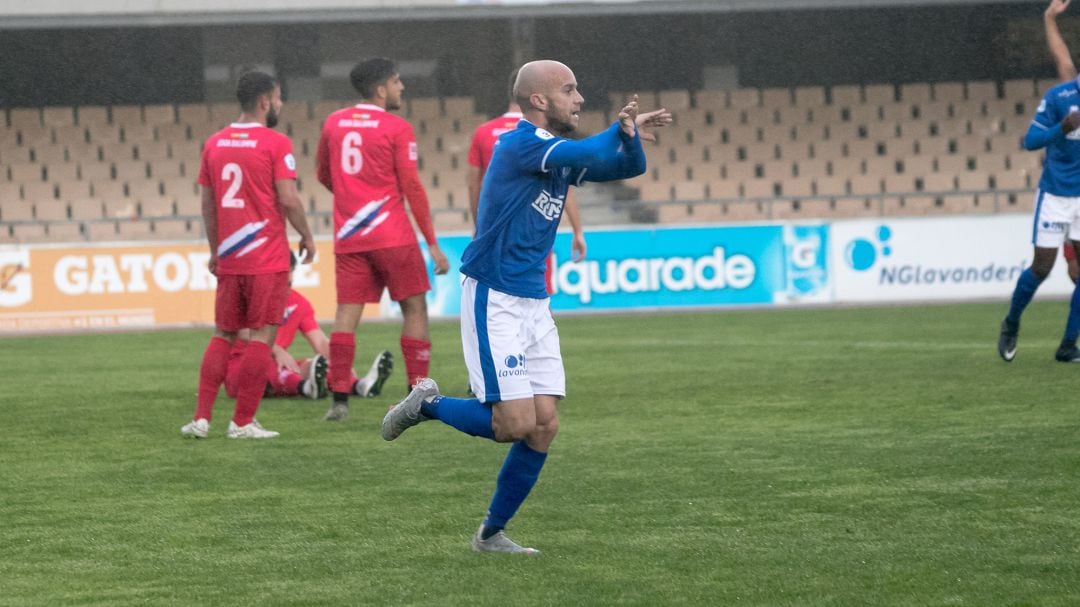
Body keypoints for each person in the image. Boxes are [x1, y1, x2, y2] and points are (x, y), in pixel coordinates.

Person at [381, 60, 671, 554]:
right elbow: (589, 152)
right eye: (570, 90)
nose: (579, 99)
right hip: (494, 295)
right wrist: (614, 133)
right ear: (539, 100)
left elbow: (625, 166)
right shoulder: (521, 143)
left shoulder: (553, 152)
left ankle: (491, 534)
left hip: (533, 300)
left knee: (544, 425)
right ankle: (426, 404)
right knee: (512, 424)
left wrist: (628, 137)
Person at [181, 71, 317, 439]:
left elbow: (207, 204)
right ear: (264, 101)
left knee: (222, 334)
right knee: (262, 337)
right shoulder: (275, 143)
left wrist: (215, 251)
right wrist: (306, 235)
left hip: (231, 256)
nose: (280, 104)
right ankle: (242, 423)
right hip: (266, 257)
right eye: (278, 97)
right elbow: (288, 198)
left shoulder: (214, 143)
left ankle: (200, 419)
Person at [316, 57, 450, 422]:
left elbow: (323, 174)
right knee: (415, 308)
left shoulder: (333, 123)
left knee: (346, 313)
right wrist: (432, 243)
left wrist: (351, 196)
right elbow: (411, 187)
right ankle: (417, 393)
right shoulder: (396, 127)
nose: (401, 87)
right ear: (380, 89)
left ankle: (339, 399)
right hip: (392, 234)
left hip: (350, 235)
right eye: (396, 82)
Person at [468, 70, 587, 294]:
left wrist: (480, 226)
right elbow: (564, 188)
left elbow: (475, 185)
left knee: (496, 301)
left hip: (496, 235)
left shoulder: (483, 133)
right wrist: (577, 230)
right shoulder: (547, 136)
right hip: (535, 232)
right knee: (538, 296)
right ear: (537, 95)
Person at [223, 253, 394, 402]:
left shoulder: (299, 303)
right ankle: (306, 387)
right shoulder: (252, 297)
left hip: (277, 364)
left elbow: (319, 341)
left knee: (314, 365)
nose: (284, 288)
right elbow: (242, 332)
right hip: (240, 369)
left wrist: (340, 364)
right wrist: (277, 350)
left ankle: (360, 386)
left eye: (288, 282)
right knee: (265, 363)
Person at [1044, 0, 1080, 285]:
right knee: (1074, 267)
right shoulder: (1072, 95)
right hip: (1071, 190)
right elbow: (1063, 61)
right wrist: (1050, 20)